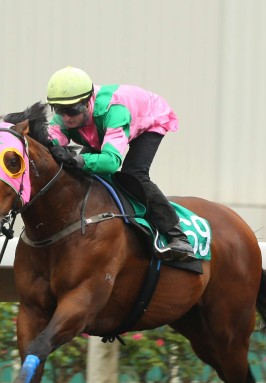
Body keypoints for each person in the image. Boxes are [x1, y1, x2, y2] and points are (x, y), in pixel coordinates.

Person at [46, 66, 194, 261]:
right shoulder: (64, 117)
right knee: (76, 172)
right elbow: (49, 150)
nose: (65, 118)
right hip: (102, 129)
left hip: (149, 120)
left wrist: (79, 159)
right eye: (59, 110)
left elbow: (111, 162)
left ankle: (177, 236)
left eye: (71, 111)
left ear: (87, 102)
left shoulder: (114, 111)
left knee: (133, 174)